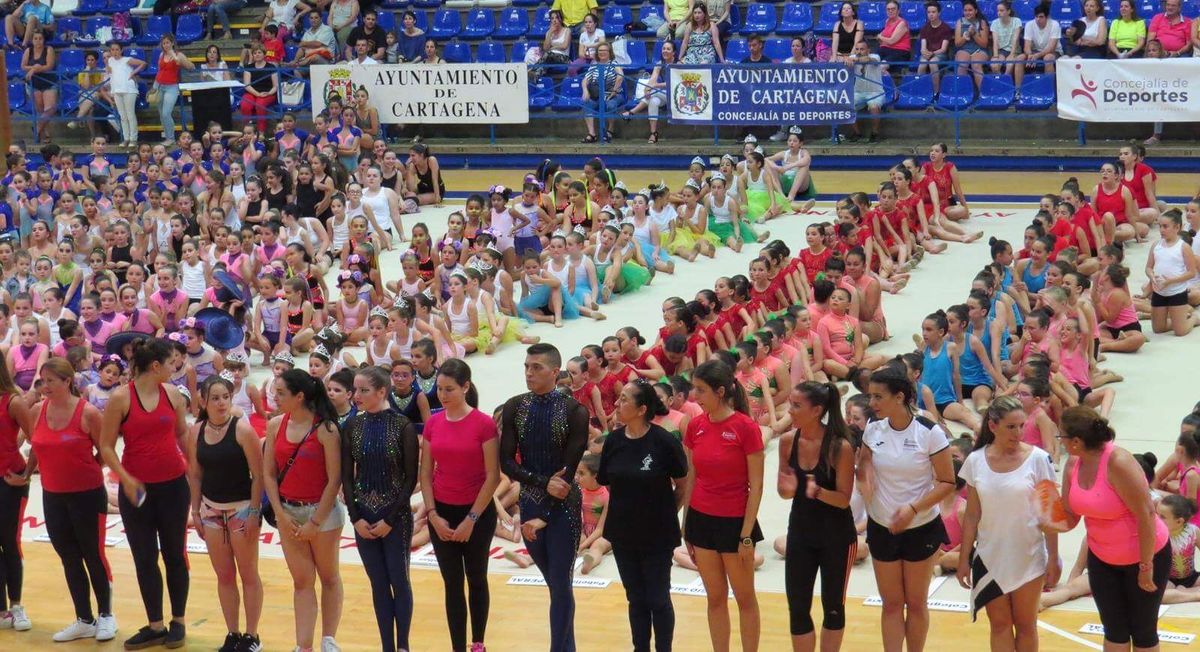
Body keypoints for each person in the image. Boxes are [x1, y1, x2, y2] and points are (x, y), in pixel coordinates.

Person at [98, 337, 191, 650]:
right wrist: (125, 478)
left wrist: (198, 478)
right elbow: (107, 445)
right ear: (155, 366)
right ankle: (155, 625)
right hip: (136, 489)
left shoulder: (174, 393)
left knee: (175, 554)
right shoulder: (121, 398)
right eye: (170, 362)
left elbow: (183, 436)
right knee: (145, 558)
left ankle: (177, 621)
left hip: (174, 487)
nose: (174, 366)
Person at [857, 366, 955, 652]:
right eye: (870, 396)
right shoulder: (873, 429)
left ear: (899, 397)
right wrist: (865, 482)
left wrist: (912, 509)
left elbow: (948, 481)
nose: (871, 403)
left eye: (878, 397)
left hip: (920, 526)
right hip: (882, 525)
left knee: (915, 602)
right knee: (890, 603)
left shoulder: (929, 432)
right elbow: (864, 467)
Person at [500, 344, 590, 652]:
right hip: (530, 501)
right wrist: (539, 483)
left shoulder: (575, 411)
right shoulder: (514, 406)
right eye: (526, 366)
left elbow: (568, 471)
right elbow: (506, 462)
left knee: (561, 583)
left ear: (555, 372)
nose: (528, 372)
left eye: (536, 367)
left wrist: (547, 513)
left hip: (563, 507)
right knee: (554, 583)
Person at [1059, 405, 1171, 650]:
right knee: (1114, 629)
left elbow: (1146, 514)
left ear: (1076, 441)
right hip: (1102, 556)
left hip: (1144, 555)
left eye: (1062, 437)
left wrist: (1145, 566)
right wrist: (1041, 521)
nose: (1061, 442)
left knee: (1143, 631)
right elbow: (1070, 514)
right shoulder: (1072, 464)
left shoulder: (1118, 462)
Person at [955, 396, 1059, 650]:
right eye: (1011, 427)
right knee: (999, 624)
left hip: (1028, 554)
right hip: (990, 557)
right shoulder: (975, 461)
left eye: (1022, 426)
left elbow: (1049, 514)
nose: (1019, 433)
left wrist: (1053, 557)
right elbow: (972, 515)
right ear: (993, 426)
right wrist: (963, 558)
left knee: (1026, 624)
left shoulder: (1039, 459)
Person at [23, 359, 115, 642]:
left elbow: (105, 451)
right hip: (52, 495)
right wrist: (26, 474)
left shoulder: (88, 413)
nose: (45, 386)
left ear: (67, 381)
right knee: (69, 558)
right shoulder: (38, 411)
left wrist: (83, 470)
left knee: (93, 555)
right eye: (42, 380)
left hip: (87, 495)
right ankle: (84, 619)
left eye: (51, 380)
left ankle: (106, 616)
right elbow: (36, 447)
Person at [598, 380, 687, 652]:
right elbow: (609, 482)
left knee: (658, 599)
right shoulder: (613, 441)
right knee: (635, 598)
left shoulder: (664, 441)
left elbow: (682, 484)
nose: (616, 403)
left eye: (624, 399)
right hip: (623, 533)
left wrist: (664, 513)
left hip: (658, 535)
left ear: (642, 409)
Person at [682, 359, 764, 652]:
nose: (695, 396)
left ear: (720, 392)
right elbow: (692, 476)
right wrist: (686, 523)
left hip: (735, 523)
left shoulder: (746, 428)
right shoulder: (695, 426)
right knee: (715, 598)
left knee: (745, 599)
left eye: (701, 390)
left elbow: (756, 487)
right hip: (702, 520)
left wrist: (746, 534)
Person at [262, 369, 345, 652]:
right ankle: (304, 645)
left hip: (323, 515)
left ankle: (329, 639)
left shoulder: (326, 429)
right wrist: (280, 515)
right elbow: (269, 474)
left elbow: (335, 480)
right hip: (288, 512)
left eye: (281, 392)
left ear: (299, 397)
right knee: (302, 581)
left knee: (329, 576)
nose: (275, 396)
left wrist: (315, 521)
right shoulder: (275, 425)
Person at [420, 359, 500, 652]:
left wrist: (471, 519)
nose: (443, 394)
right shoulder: (433, 423)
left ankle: (478, 642)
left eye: (450, 389)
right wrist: (432, 514)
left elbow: (493, 476)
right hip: (441, 511)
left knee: (476, 577)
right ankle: (456, 647)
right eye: (440, 389)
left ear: (466, 387)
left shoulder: (484, 423)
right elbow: (425, 473)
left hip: (476, 513)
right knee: (452, 583)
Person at [185, 375, 265, 652]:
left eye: (226, 397)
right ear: (203, 402)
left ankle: (252, 636)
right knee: (224, 576)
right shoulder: (196, 432)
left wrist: (255, 511)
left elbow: (259, 475)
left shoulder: (243, 430)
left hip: (242, 508)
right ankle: (232, 634)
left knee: (248, 574)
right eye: (215, 398)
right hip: (210, 509)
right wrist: (195, 510)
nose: (221, 403)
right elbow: (195, 475)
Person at [342, 366, 419, 652]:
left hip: (395, 517)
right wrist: (356, 518)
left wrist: (390, 517)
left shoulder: (403, 426)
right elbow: (347, 477)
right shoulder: (352, 426)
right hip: (364, 516)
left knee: (399, 580)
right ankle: (387, 646)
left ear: (381, 391)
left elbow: (410, 479)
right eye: (356, 390)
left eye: (363, 390)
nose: (357, 395)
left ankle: (403, 646)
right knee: (377, 583)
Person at [778, 381, 856, 652]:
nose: (790, 411)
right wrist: (788, 489)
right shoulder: (788, 441)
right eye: (790, 403)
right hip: (801, 534)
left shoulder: (840, 447)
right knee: (797, 607)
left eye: (797, 406)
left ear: (817, 410)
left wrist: (818, 491)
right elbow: (785, 489)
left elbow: (844, 499)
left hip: (836, 537)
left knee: (833, 606)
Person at [0, 354, 31, 632]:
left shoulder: (13, 401)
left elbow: (39, 439)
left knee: (9, 542)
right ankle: (1, 611)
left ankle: (17, 606)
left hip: (9, 481)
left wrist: (26, 473)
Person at [1145, 208, 1197, 336]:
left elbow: (1192, 272)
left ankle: (1194, 319)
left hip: (1176, 292)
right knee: (1158, 329)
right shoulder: (1156, 245)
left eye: (1165, 226)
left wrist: (1170, 281)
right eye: (1160, 226)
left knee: (1180, 332)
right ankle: (1177, 321)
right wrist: (1151, 276)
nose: (1161, 230)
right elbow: (1148, 267)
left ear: (1177, 227)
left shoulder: (1183, 247)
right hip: (1159, 292)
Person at [621, 41, 675, 144]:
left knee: (653, 93)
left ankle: (632, 112)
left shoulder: (678, 63)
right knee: (653, 101)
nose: (665, 51)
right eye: (664, 48)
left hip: (676, 95)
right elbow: (653, 79)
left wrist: (653, 87)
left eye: (668, 49)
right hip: (663, 95)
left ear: (674, 52)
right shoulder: (659, 64)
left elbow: (674, 83)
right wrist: (647, 89)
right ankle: (653, 133)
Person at [155, 35, 195, 147]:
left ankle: (171, 138)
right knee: (161, 114)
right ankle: (168, 136)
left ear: (172, 43)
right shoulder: (161, 54)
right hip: (159, 85)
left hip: (171, 87)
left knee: (166, 112)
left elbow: (191, 67)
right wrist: (154, 87)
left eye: (168, 42)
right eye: (164, 43)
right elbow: (160, 70)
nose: (166, 45)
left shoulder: (179, 55)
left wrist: (179, 60)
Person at [580, 42, 624, 144]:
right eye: (600, 51)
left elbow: (620, 76)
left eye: (605, 50)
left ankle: (610, 131)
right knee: (586, 103)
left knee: (610, 105)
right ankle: (592, 134)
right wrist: (585, 91)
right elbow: (585, 79)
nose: (602, 52)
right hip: (597, 96)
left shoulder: (614, 63)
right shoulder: (594, 64)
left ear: (609, 52)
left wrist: (614, 91)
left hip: (612, 95)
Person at [20, 30, 56, 144]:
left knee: (50, 109)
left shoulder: (49, 49)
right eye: (35, 39)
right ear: (32, 40)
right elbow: (23, 66)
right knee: (41, 111)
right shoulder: (28, 51)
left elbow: (49, 66)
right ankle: (45, 134)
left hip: (48, 82)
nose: (38, 41)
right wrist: (34, 68)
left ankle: (36, 129)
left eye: (40, 38)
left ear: (43, 40)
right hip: (34, 84)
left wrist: (35, 69)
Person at [847, 41, 885, 143]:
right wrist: (846, 59)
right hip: (858, 92)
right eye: (857, 49)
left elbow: (869, 59)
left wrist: (856, 59)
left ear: (868, 50)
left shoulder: (875, 56)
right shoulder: (853, 57)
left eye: (862, 49)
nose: (859, 51)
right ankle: (856, 133)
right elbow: (843, 59)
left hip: (875, 92)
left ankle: (875, 133)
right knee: (848, 105)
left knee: (874, 107)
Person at [240, 46, 279, 135]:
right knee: (245, 105)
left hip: (267, 93)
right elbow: (247, 86)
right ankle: (247, 131)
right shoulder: (248, 67)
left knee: (260, 105)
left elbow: (276, 86)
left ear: (264, 54)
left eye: (259, 52)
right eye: (255, 53)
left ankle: (261, 133)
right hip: (252, 92)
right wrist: (257, 94)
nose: (257, 55)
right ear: (252, 55)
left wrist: (269, 93)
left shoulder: (271, 67)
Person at [917, 2, 953, 93]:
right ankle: (920, 90)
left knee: (933, 63)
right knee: (922, 63)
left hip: (940, 54)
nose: (931, 14)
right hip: (928, 54)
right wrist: (924, 52)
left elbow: (943, 49)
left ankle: (936, 92)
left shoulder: (946, 28)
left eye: (933, 12)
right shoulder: (924, 28)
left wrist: (932, 53)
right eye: (929, 12)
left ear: (939, 13)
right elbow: (923, 47)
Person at [954, 0, 990, 88]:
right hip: (963, 49)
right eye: (965, 10)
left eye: (970, 10)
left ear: (976, 11)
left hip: (979, 50)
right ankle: (963, 94)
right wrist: (965, 37)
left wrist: (974, 34)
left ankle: (983, 94)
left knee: (976, 64)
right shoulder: (960, 22)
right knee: (962, 64)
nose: (967, 12)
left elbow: (984, 44)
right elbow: (957, 44)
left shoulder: (982, 22)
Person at [1023, 3, 1061, 76]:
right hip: (1035, 51)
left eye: (1041, 17)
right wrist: (1030, 55)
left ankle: (1049, 86)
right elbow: (1026, 47)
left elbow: (1051, 48)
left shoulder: (1055, 24)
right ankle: (1018, 87)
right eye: (1036, 16)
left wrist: (1037, 56)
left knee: (1048, 58)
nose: (1038, 19)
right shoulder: (1029, 24)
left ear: (1047, 17)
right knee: (1019, 58)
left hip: (1054, 52)